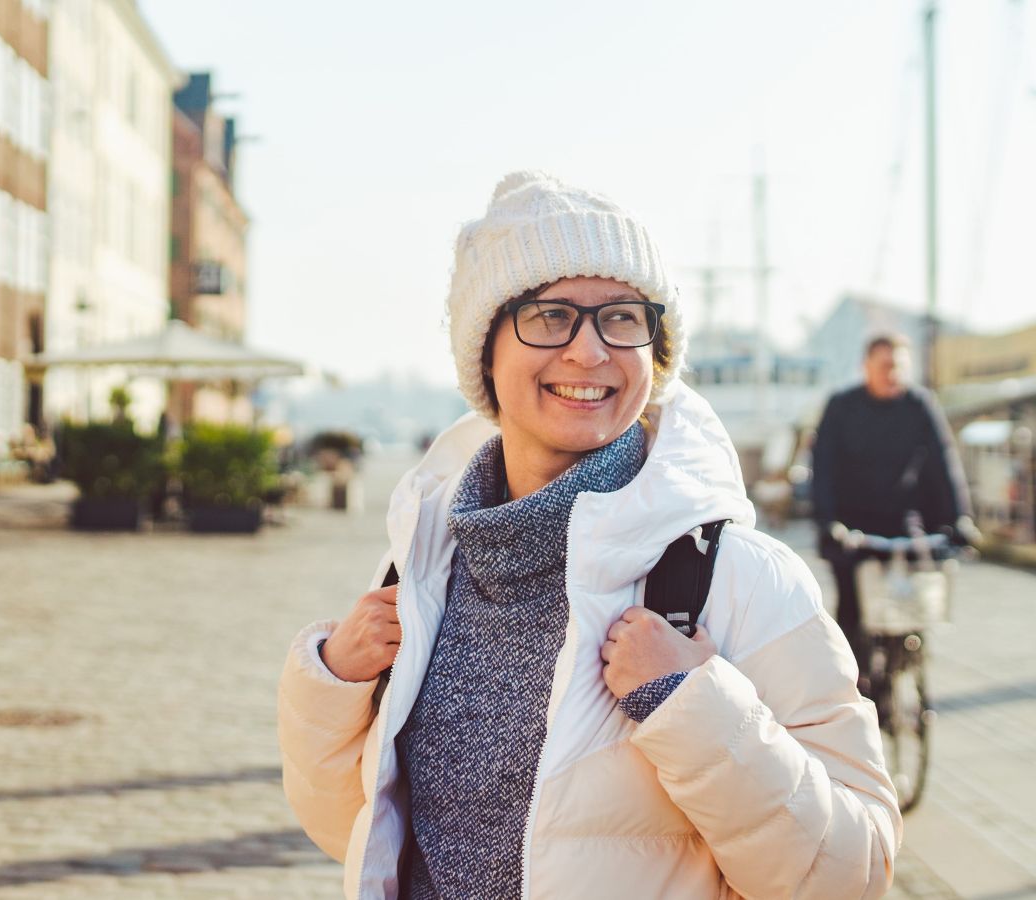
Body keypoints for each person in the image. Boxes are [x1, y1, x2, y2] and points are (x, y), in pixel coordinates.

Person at [276, 172, 899, 899]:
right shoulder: (421, 565)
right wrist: (333, 686)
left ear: (655, 350)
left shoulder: (741, 578)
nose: (589, 351)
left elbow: (853, 875)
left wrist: (693, 707)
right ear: (485, 352)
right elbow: (353, 834)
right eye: (549, 315)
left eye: (623, 317)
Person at [810, 333, 974, 675]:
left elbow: (944, 463)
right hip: (851, 527)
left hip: (904, 522)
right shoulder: (842, 406)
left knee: (914, 606)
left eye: (899, 366)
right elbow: (822, 468)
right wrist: (828, 523)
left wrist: (959, 519)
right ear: (866, 366)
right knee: (853, 616)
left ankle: (909, 671)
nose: (892, 373)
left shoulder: (919, 404)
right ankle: (855, 688)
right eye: (885, 365)